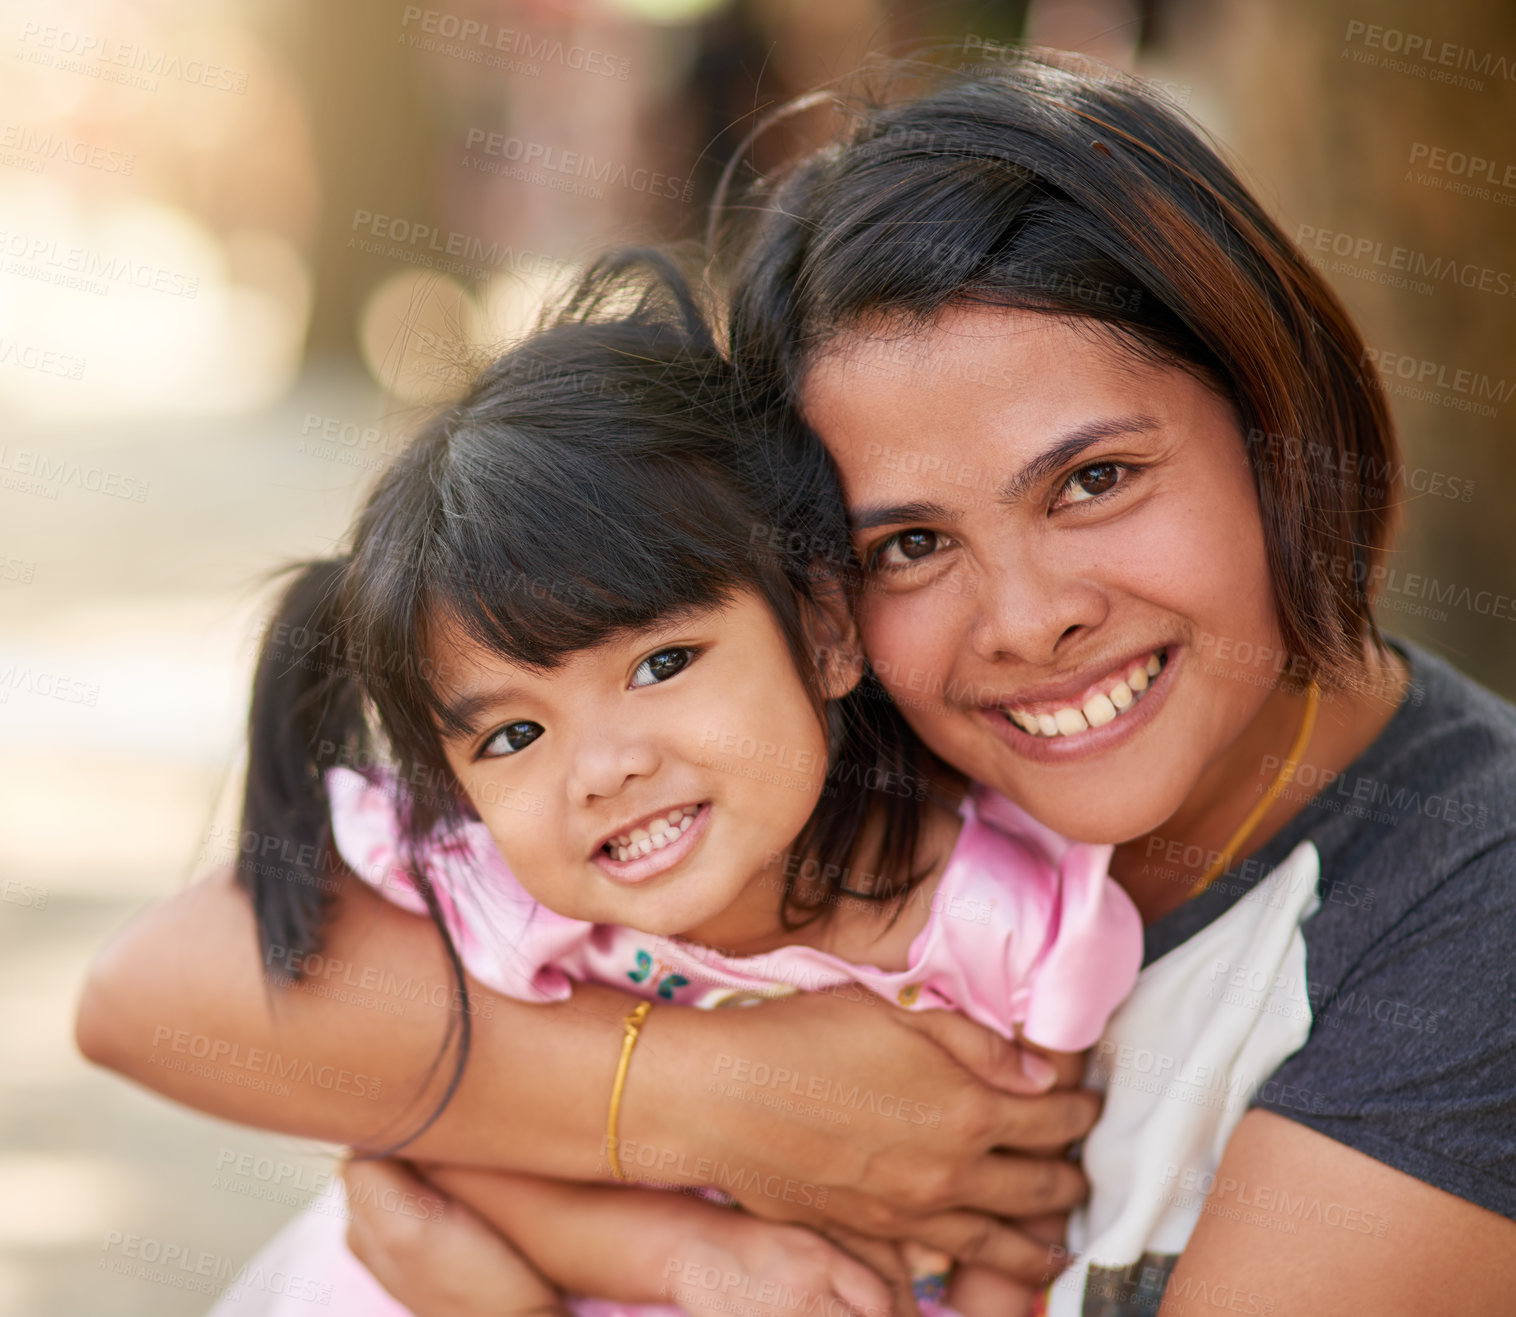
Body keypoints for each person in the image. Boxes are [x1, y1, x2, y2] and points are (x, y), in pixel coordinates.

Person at [78, 50, 1516, 1316]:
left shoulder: (1467, 911)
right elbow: (163, 988)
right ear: (816, 590)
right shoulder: (791, 721)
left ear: (1277, 420)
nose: (1024, 622)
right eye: (907, 542)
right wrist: (717, 1103)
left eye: (1095, 479)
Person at [168, 256, 1144, 1317]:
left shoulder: (1000, 927)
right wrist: (689, 1260)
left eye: (661, 665)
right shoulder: (494, 892)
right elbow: (405, 1168)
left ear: (823, 628)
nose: (602, 769)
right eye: (513, 735)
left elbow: (1019, 1226)